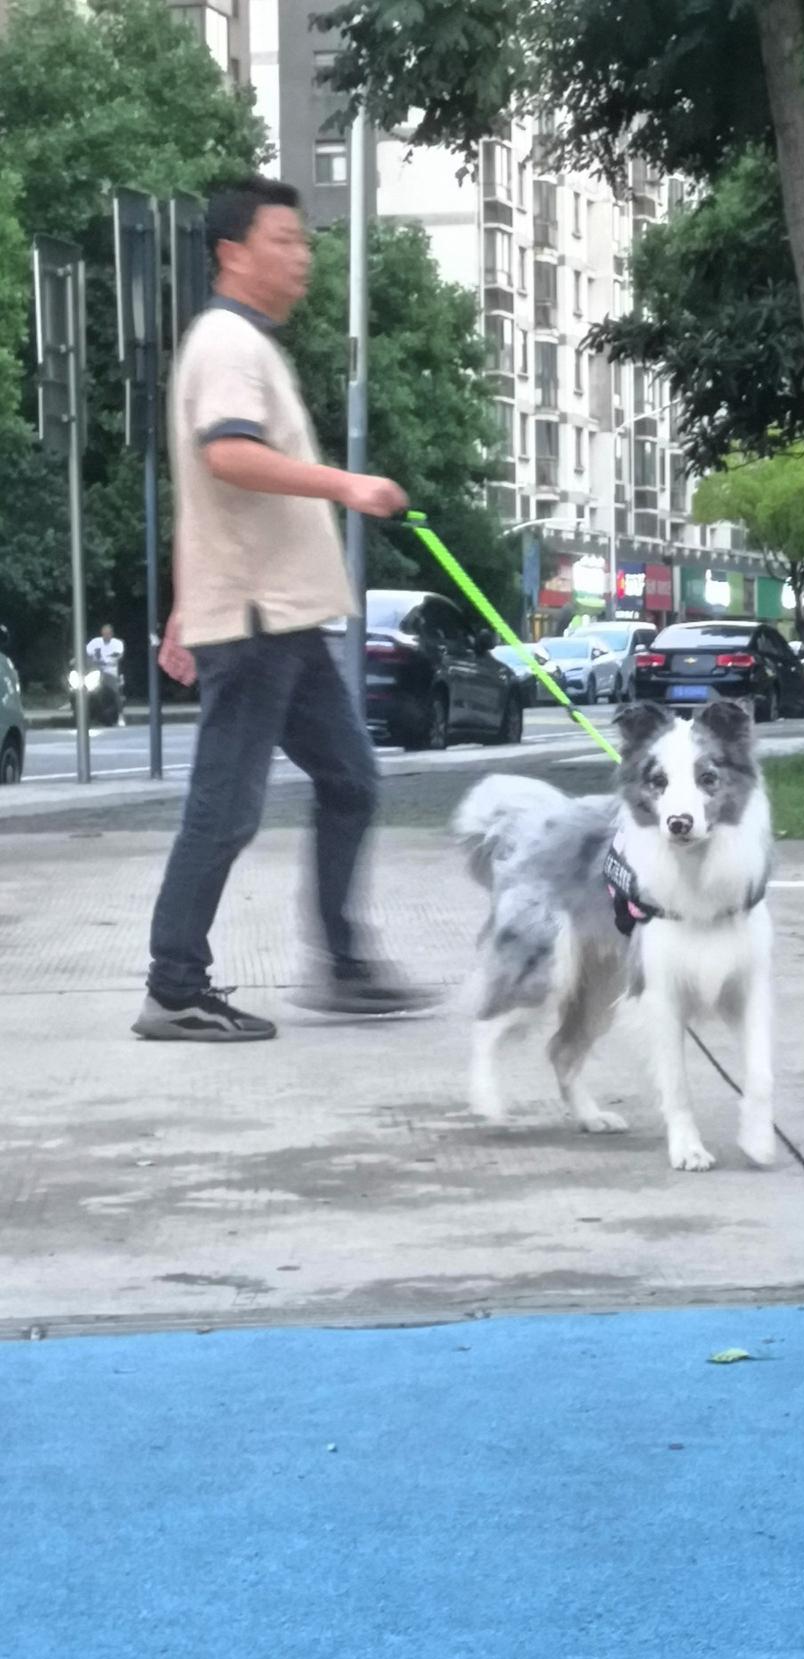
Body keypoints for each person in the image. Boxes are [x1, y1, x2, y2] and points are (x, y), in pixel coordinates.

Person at [133, 176, 429, 1043]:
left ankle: (342, 965)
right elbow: (227, 458)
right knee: (224, 810)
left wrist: (184, 607)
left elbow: (197, 498)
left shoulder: (245, 343)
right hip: (260, 622)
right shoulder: (227, 341)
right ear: (234, 252)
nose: (302, 256)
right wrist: (349, 484)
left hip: (284, 620)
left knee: (351, 781)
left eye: (304, 242)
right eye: (285, 240)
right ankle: (174, 988)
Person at [86, 624, 126, 726]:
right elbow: (86, 652)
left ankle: (120, 716)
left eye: (108, 633)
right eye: (104, 633)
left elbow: (118, 656)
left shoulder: (117, 643)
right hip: (95, 672)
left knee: (116, 692)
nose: (106, 635)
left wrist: (108, 660)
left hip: (110, 672)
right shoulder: (95, 642)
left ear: (112, 634)